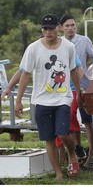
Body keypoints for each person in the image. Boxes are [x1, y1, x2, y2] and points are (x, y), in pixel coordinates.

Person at [14, 14, 82, 180]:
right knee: (48, 138)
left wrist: (79, 91)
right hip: (41, 99)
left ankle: (72, 153)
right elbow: (25, 74)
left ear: (58, 28)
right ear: (42, 29)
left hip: (63, 98)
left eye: (51, 28)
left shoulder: (68, 47)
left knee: (63, 133)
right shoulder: (33, 48)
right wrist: (18, 101)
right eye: (45, 28)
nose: (48, 31)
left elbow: (73, 70)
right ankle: (58, 173)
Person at [60, 14, 93, 169]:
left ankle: (91, 154)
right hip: (64, 88)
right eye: (67, 26)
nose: (70, 28)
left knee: (88, 120)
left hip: (83, 86)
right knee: (69, 117)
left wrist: (88, 72)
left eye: (73, 25)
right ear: (61, 27)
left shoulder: (84, 41)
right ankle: (76, 149)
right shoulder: (59, 43)